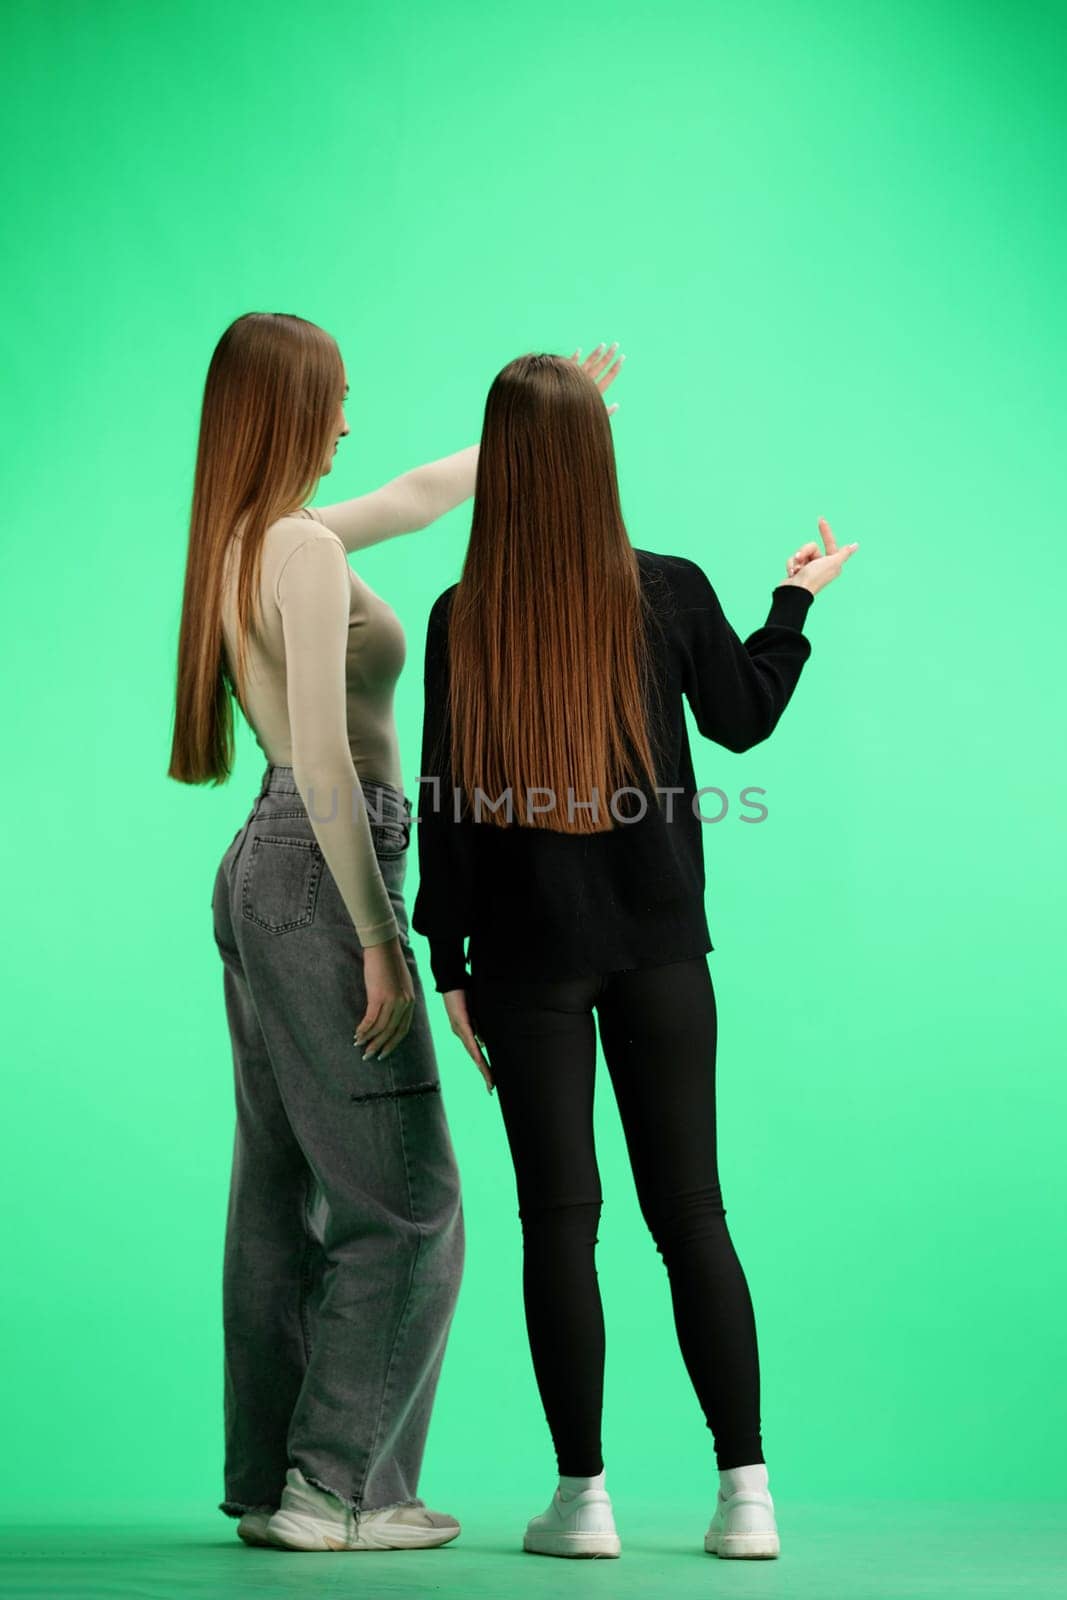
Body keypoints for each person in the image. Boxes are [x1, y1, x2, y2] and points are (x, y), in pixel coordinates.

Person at [168, 312, 621, 1553]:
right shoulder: (299, 554)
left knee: (282, 1194)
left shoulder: (249, 539)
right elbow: (320, 754)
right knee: (408, 1199)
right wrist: (381, 935)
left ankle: (272, 1485)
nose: (349, 422)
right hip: (324, 865)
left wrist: (538, 420)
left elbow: (418, 496)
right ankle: (339, 1488)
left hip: (260, 873)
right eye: (336, 400)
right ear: (288, 410)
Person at [411, 352, 858, 1561]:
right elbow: (743, 716)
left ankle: (583, 1501)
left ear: (499, 466)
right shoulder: (666, 589)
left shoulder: (466, 614)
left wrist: (444, 959)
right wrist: (791, 601)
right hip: (662, 950)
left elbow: (441, 803)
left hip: (522, 961)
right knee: (691, 1213)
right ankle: (746, 1494)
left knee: (560, 1221)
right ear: (598, 458)